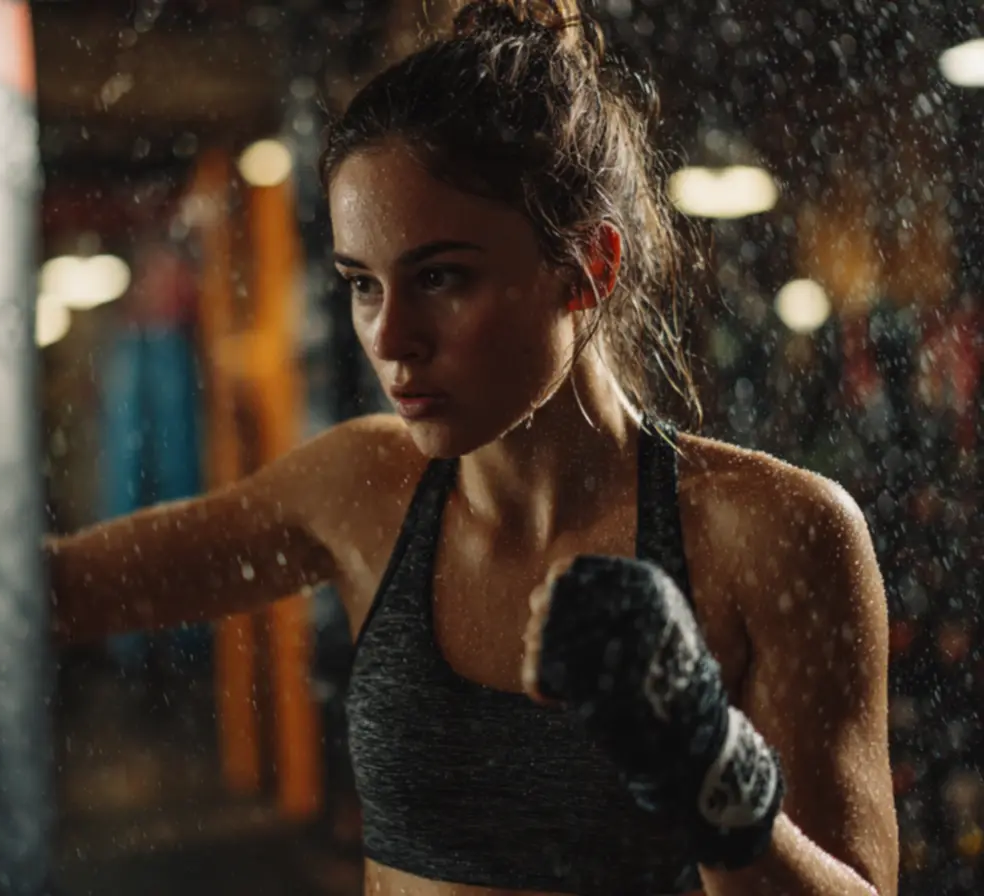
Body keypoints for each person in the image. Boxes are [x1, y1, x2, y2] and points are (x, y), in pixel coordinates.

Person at [46, 1, 899, 893]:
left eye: (441, 278)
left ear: (588, 269)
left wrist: (709, 765)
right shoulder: (361, 490)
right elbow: (48, 594)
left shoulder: (772, 533)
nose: (391, 337)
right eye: (363, 285)